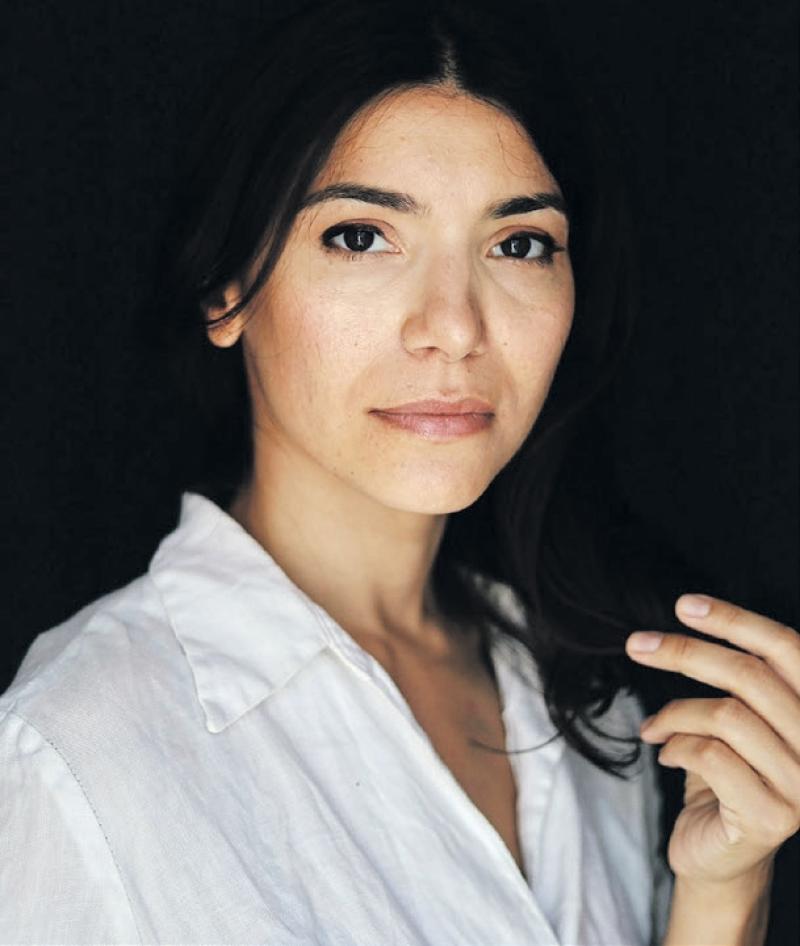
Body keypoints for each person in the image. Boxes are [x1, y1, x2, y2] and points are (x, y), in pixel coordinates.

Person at [2, 1, 797, 943]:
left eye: (518, 244)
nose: (454, 328)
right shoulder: (73, 756)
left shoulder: (593, 707)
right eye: (361, 236)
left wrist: (725, 892)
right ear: (227, 287)